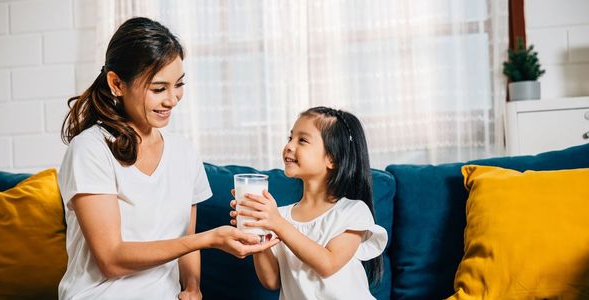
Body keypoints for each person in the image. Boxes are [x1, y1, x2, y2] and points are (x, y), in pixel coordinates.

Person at [58, 17, 278, 300]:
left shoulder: (184, 152)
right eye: (159, 89)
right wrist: (209, 238)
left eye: (179, 85)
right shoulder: (90, 149)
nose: (172, 99)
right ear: (116, 83)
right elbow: (111, 260)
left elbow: (186, 239)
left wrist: (192, 288)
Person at [230, 106, 388, 299]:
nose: (289, 146)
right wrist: (257, 233)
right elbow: (271, 281)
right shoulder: (280, 215)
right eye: (290, 138)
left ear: (332, 158)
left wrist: (277, 224)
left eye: (302, 140)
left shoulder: (352, 212)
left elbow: (327, 264)